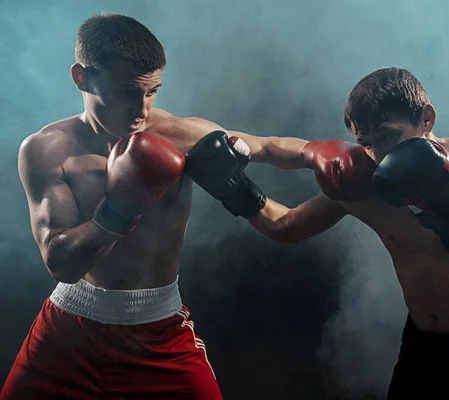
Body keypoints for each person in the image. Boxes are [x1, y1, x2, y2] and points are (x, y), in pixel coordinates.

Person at [1, 12, 307, 400]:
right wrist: (121, 208)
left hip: (158, 332)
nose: (141, 110)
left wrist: (321, 155)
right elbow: (61, 263)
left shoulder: (179, 135)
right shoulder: (47, 150)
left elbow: (268, 146)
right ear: (82, 77)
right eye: (127, 92)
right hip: (68, 333)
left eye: (152, 91)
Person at [199, 67, 449, 399]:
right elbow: (286, 225)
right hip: (421, 348)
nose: (380, 156)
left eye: (390, 137)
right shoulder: (362, 180)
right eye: (367, 143)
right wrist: (233, 188)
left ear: (427, 118)